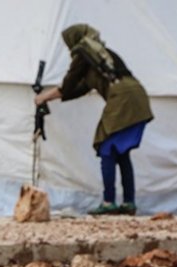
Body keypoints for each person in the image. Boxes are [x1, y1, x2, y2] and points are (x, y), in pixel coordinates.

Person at [35, 24, 154, 216]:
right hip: (138, 96)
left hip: (122, 98)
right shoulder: (101, 54)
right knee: (122, 153)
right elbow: (79, 88)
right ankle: (129, 202)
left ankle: (108, 202)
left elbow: (69, 84)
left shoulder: (83, 52)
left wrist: (43, 97)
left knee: (106, 147)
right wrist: (49, 97)